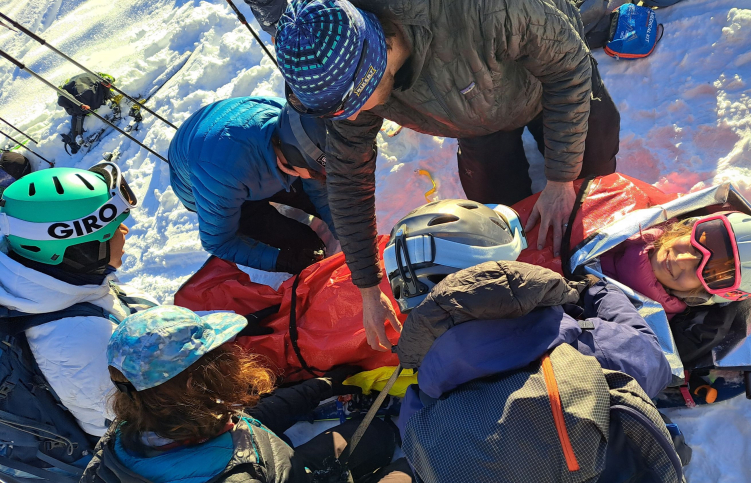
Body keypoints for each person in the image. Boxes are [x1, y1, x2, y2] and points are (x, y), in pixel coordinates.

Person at [267, 0, 621, 351]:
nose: (354, 116)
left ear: (380, 51)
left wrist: (560, 178)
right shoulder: (349, 73)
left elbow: (568, 68)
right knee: (495, 222)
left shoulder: (484, 11)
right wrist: (368, 287)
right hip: (474, 113)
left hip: (548, 82)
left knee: (593, 191)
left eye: (355, 103)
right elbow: (348, 178)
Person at [382, 200, 684, 481]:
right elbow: (651, 363)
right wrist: (597, 293)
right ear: (501, 267)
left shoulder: (420, 406)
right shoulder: (576, 344)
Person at [81, 305, 413, 483]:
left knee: (377, 434)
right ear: (197, 383)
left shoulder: (128, 432)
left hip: (279, 465)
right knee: (418, 465)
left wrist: (318, 388)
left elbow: (245, 423)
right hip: (277, 472)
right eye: (221, 355)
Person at [0, 163, 157, 437]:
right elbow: (153, 423)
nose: (125, 233)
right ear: (83, 248)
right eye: (113, 228)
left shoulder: (58, 283)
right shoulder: (80, 341)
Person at [168, 96, 339, 274]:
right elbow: (218, 241)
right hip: (208, 182)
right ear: (294, 159)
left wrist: (348, 233)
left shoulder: (294, 123)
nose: (321, 176)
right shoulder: (221, 175)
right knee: (301, 247)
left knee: (328, 203)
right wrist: (281, 261)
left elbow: (321, 192)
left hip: (246, 153)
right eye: (316, 171)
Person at [599, 212, 751, 318]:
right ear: (688, 228)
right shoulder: (643, 213)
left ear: (698, 296)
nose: (682, 260)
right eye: (695, 245)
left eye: (704, 272)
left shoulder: (635, 319)